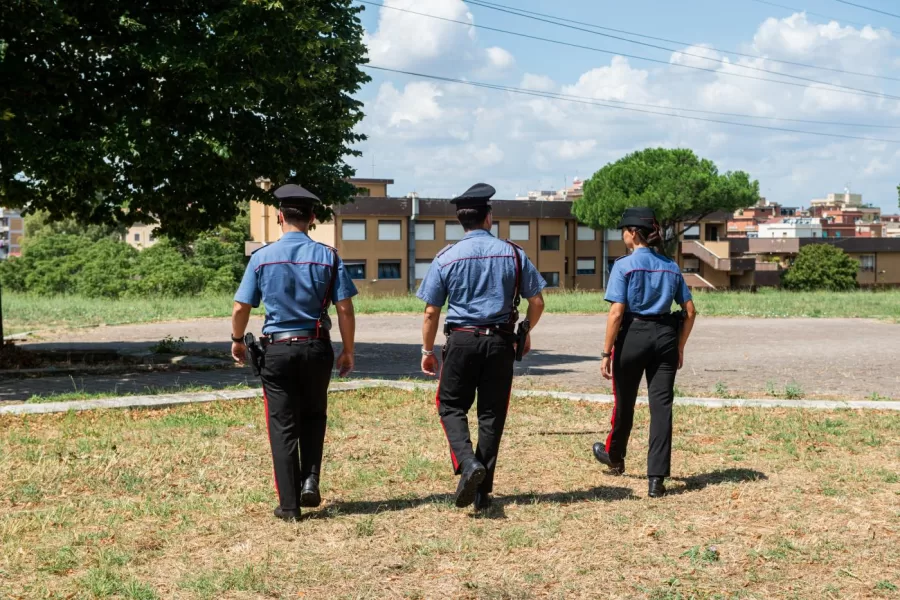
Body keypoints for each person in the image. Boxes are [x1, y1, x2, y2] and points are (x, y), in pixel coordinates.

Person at [231, 184, 357, 521]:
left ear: (279, 216)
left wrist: (237, 339)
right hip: (316, 345)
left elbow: (242, 305)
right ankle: (310, 481)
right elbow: (345, 309)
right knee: (314, 415)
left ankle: (289, 506)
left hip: (277, 350)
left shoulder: (261, 257)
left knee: (282, 425)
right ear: (313, 218)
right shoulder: (329, 256)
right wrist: (347, 350)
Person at [417, 183, 546, 511]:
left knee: (450, 406)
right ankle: (481, 493)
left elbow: (431, 310)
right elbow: (537, 301)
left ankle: (467, 463)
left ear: (462, 221)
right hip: (501, 341)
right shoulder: (514, 254)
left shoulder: (446, 257)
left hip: (461, 340)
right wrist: (525, 330)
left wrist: (426, 350)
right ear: (489, 218)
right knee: (491, 414)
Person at [591, 207, 697, 498]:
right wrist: (679, 346)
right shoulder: (670, 266)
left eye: (623, 230)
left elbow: (616, 312)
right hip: (665, 336)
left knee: (624, 402)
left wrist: (605, 352)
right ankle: (657, 479)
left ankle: (615, 455)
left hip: (633, 336)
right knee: (661, 408)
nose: (622, 235)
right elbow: (690, 311)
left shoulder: (624, 266)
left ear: (633, 233)